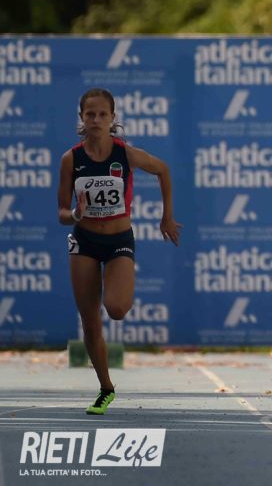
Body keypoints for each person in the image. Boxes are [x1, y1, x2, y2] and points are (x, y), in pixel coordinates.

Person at [57, 88, 181, 414]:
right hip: (83, 242)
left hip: (118, 240)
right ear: (82, 118)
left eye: (103, 114)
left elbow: (163, 170)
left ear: (112, 118)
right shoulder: (71, 159)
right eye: (90, 114)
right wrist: (75, 214)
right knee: (90, 321)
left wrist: (166, 217)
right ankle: (105, 388)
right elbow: (61, 213)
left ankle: (106, 382)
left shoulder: (125, 154)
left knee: (116, 308)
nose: (96, 120)